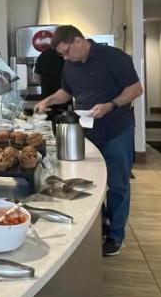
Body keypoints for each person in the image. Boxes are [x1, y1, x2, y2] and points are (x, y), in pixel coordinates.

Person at [34, 25, 143, 256]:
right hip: (87, 130)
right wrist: (48, 100)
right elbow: (67, 91)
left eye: (66, 52)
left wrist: (110, 105)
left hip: (116, 129)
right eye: (61, 55)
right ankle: (101, 224)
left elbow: (135, 89)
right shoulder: (70, 64)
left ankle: (116, 235)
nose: (65, 58)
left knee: (118, 183)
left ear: (78, 41)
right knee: (90, 181)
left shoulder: (113, 57)